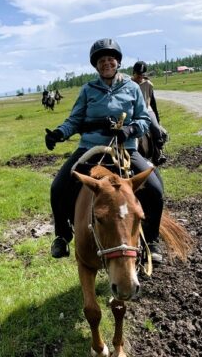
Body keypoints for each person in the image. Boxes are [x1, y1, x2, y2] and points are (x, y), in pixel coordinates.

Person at [45, 38, 165, 263]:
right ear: (96, 65)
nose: (106, 63)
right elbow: (75, 119)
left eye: (111, 59)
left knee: (156, 189)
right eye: (101, 60)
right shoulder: (88, 89)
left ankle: (153, 238)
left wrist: (129, 130)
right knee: (58, 186)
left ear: (118, 62)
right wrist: (59, 134)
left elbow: (143, 119)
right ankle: (62, 236)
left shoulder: (132, 88)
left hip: (125, 149)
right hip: (90, 148)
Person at [132, 61, 167, 165]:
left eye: (142, 75)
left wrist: (157, 119)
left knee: (156, 129)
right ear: (133, 73)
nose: (140, 77)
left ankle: (158, 154)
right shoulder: (128, 84)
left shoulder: (148, 84)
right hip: (133, 111)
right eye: (138, 74)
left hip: (147, 110)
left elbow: (153, 102)